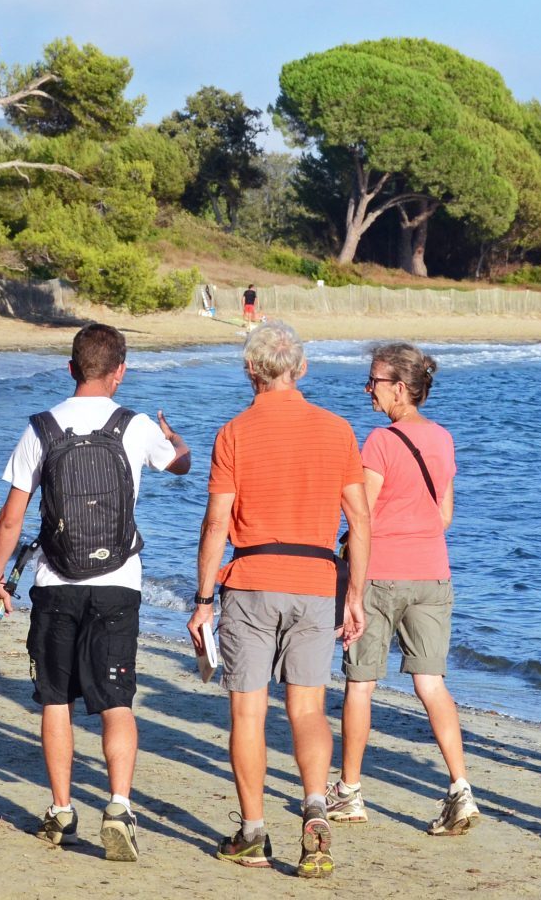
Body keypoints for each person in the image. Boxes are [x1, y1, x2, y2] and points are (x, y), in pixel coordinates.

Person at [0, 323, 191, 864]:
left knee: (56, 699)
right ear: (120, 371)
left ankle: (61, 810)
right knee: (116, 700)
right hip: (119, 583)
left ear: (70, 369)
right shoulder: (136, 425)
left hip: (55, 583)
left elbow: (11, 517)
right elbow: (181, 465)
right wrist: (180, 446)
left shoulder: (42, 428)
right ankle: (119, 805)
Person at [187, 319, 370, 879]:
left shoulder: (234, 432)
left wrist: (202, 598)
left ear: (251, 370)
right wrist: (355, 593)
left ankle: (253, 832)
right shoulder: (337, 429)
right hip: (316, 581)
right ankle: (316, 807)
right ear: (302, 369)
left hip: (251, 579)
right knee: (309, 707)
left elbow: (218, 519)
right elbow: (359, 518)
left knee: (248, 708)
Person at [327, 344, 477, 836]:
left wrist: (347, 572)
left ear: (399, 387)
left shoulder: (379, 442)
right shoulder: (445, 438)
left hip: (381, 572)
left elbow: (360, 516)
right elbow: (446, 516)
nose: (367, 388)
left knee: (361, 683)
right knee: (432, 683)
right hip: (433, 572)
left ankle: (349, 792)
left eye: (373, 380)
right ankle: (460, 789)